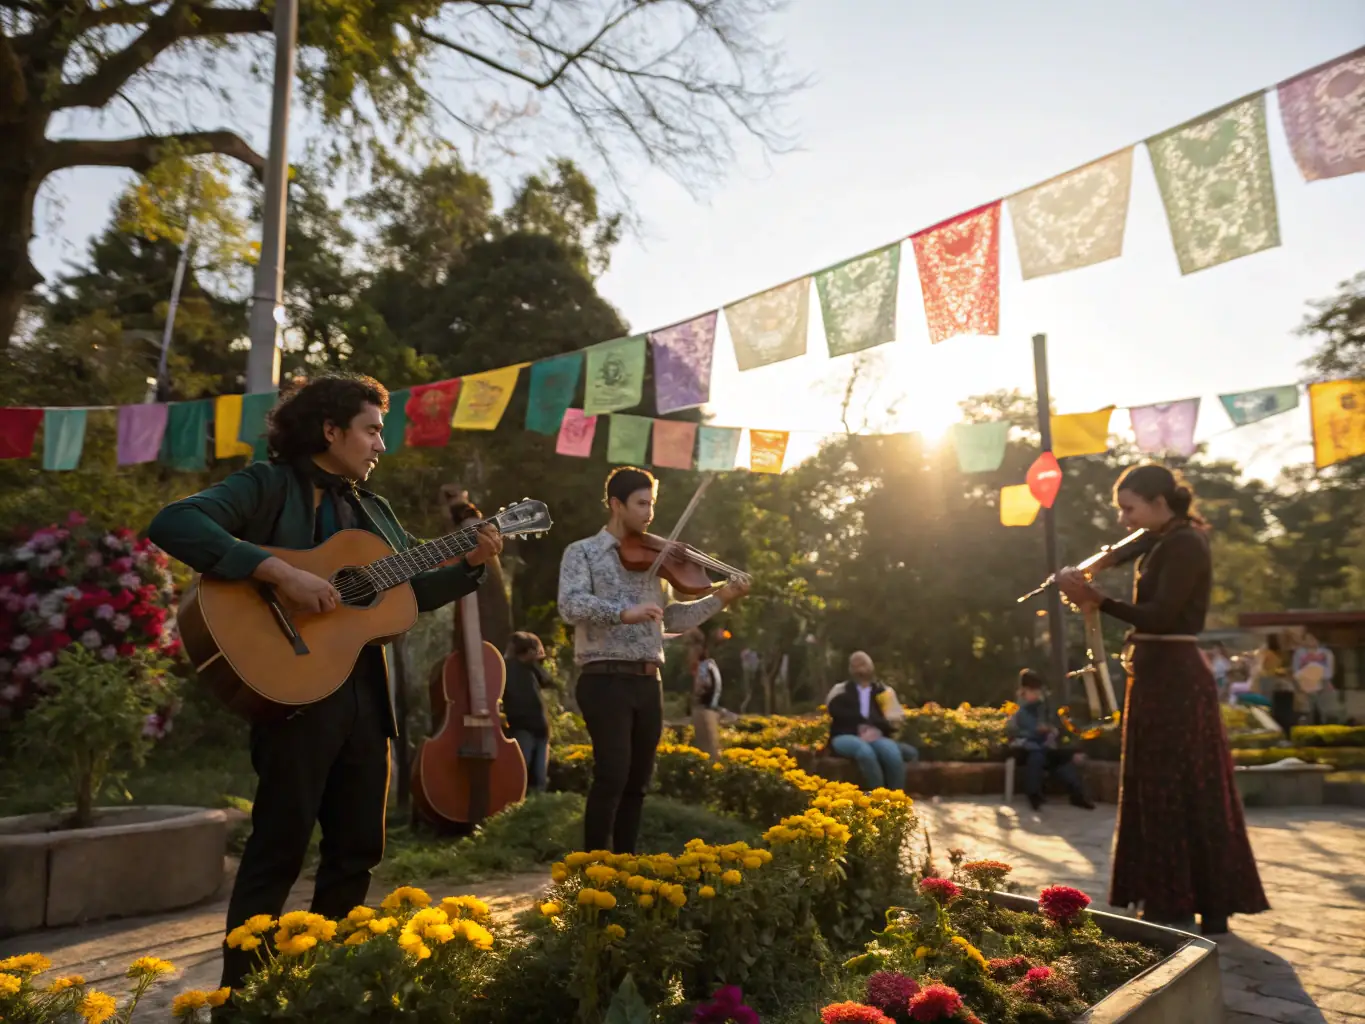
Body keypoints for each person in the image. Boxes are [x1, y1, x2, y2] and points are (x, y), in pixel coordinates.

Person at [147, 374, 502, 999]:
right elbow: (175, 522)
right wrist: (279, 571)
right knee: (278, 851)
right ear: (330, 430)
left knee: (357, 851)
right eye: (370, 430)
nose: (379, 446)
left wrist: (470, 565)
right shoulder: (266, 484)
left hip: (365, 696)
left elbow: (407, 593)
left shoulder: (376, 512)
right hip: (293, 694)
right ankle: (241, 1002)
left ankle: (329, 993)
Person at [1058, 463, 1268, 936]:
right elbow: (1131, 546)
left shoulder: (1186, 543)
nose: (1123, 519)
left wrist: (1097, 599)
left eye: (1129, 508)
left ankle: (1191, 903)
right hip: (1156, 676)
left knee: (1184, 785)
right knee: (1159, 783)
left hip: (1175, 677)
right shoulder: (1165, 539)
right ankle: (1172, 899)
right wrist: (1094, 566)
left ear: (1159, 502)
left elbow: (1160, 615)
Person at [557, 467, 748, 853]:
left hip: (648, 681)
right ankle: (592, 868)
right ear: (616, 504)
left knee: (638, 783)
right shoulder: (583, 553)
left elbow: (671, 618)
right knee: (612, 775)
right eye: (641, 503)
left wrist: (719, 600)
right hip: (604, 677)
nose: (649, 513)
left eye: (653, 504)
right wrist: (622, 612)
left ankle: (626, 866)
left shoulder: (657, 559)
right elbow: (570, 604)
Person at [1006, 670, 1094, 812]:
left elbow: (1054, 727)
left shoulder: (1043, 707)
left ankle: (1077, 795)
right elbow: (1013, 732)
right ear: (1024, 691)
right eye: (1032, 692)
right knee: (1037, 755)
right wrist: (1035, 732)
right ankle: (1033, 795)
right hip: (1025, 748)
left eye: (1037, 692)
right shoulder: (1019, 710)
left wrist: (1051, 731)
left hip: (1044, 747)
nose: (1036, 695)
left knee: (1063, 759)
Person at [825, 652, 906, 791]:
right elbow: (830, 713)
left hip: (876, 736)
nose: (859, 669)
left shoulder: (884, 692)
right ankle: (878, 798)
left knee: (892, 753)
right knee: (865, 752)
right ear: (850, 669)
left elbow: (895, 719)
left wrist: (878, 727)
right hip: (845, 736)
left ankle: (896, 800)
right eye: (854, 665)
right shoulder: (840, 690)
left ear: (871, 666)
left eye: (862, 664)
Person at [502, 632, 554, 792]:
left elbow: (548, 681)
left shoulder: (532, 669)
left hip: (540, 727)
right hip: (522, 726)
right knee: (522, 772)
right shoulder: (508, 667)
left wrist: (535, 664)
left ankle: (537, 808)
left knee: (539, 776)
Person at [686, 628, 724, 759]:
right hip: (708, 708)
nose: (689, 653)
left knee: (708, 752)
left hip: (705, 710)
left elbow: (703, 687)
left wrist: (695, 697)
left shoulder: (703, 667)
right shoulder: (709, 665)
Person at [1291, 634, 1337, 725]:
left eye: (1313, 638)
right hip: (1305, 687)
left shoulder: (1327, 653)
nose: (1311, 641)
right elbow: (1295, 672)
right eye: (1307, 638)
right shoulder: (1299, 653)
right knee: (1307, 712)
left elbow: (1329, 672)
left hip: (1323, 686)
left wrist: (1315, 671)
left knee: (1326, 712)